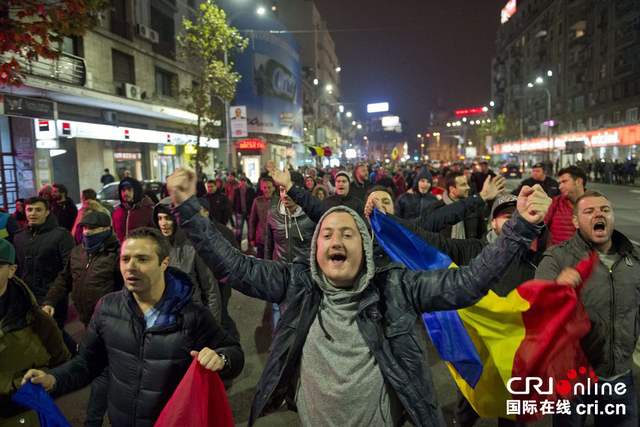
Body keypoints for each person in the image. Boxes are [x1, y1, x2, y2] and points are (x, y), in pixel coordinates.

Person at [167, 167, 550, 427]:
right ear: (316, 248)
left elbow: (467, 283)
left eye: (348, 234)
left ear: (365, 248)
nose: (336, 240)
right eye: (328, 234)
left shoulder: (397, 287)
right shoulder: (298, 282)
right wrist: (186, 207)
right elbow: (233, 266)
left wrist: (520, 228)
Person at [23, 227, 244, 427]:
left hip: (172, 421)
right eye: (125, 259)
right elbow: (87, 363)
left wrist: (221, 359)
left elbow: (234, 353)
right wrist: (53, 379)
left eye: (142, 259)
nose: (131, 267)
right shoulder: (108, 308)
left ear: (164, 263)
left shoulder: (192, 314)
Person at [535, 190, 640, 427]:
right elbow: (536, 309)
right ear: (575, 221)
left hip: (619, 375)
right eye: (589, 211)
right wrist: (557, 291)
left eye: (604, 210)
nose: (598, 215)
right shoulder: (557, 257)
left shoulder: (633, 260)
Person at [41, 211, 121, 427]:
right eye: (85, 228)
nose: (87, 232)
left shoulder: (117, 254)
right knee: (98, 370)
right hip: (88, 323)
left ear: (107, 230)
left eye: (93, 229)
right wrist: (49, 301)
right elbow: (63, 280)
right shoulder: (78, 252)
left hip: (113, 324)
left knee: (103, 372)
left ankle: (95, 420)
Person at [0, 238, 70, 426]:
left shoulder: (37, 321)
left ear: (12, 270)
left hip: (18, 416)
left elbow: (62, 364)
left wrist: (25, 384)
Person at [12, 197, 76, 349]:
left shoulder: (61, 235)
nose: (33, 213)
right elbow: (16, 269)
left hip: (52, 299)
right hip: (26, 298)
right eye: (29, 209)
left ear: (47, 212)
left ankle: (75, 358)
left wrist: (52, 300)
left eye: (38, 210)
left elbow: (69, 270)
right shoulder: (19, 236)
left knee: (55, 337)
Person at [154, 198, 222, 322]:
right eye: (159, 218)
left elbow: (211, 290)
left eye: (168, 218)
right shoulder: (156, 248)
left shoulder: (194, 246)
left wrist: (214, 329)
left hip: (193, 317)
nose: (163, 223)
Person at [430, 171, 500, 239]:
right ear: (452, 189)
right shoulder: (437, 208)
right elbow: (433, 237)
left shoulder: (475, 206)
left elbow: (482, 234)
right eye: (463, 185)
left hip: (470, 249)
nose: (468, 187)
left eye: (467, 183)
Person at [542, 165, 587, 248]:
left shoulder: (594, 203)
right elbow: (539, 227)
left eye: (564, 182)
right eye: (560, 183)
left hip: (585, 258)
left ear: (578, 182)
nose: (560, 187)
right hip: (557, 257)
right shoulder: (555, 203)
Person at [113, 177, 155, 243]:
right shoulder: (117, 212)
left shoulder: (149, 210)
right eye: (123, 190)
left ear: (136, 191)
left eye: (129, 190)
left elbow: (155, 235)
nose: (125, 193)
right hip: (121, 251)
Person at [249, 177, 277, 258]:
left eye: (269, 187)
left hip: (275, 239)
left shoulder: (279, 201)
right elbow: (253, 220)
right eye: (265, 187)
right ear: (261, 188)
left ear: (273, 188)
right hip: (261, 237)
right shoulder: (257, 201)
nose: (267, 190)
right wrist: (252, 238)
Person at [233, 177, 256, 247]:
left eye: (244, 182)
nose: (242, 184)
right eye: (241, 182)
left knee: (250, 228)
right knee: (239, 229)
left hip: (249, 212)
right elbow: (235, 201)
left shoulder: (251, 190)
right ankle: (238, 244)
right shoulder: (236, 191)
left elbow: (253, 200)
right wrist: (235, 210)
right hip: (240, 212)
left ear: (246, 182)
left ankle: (250, 243)